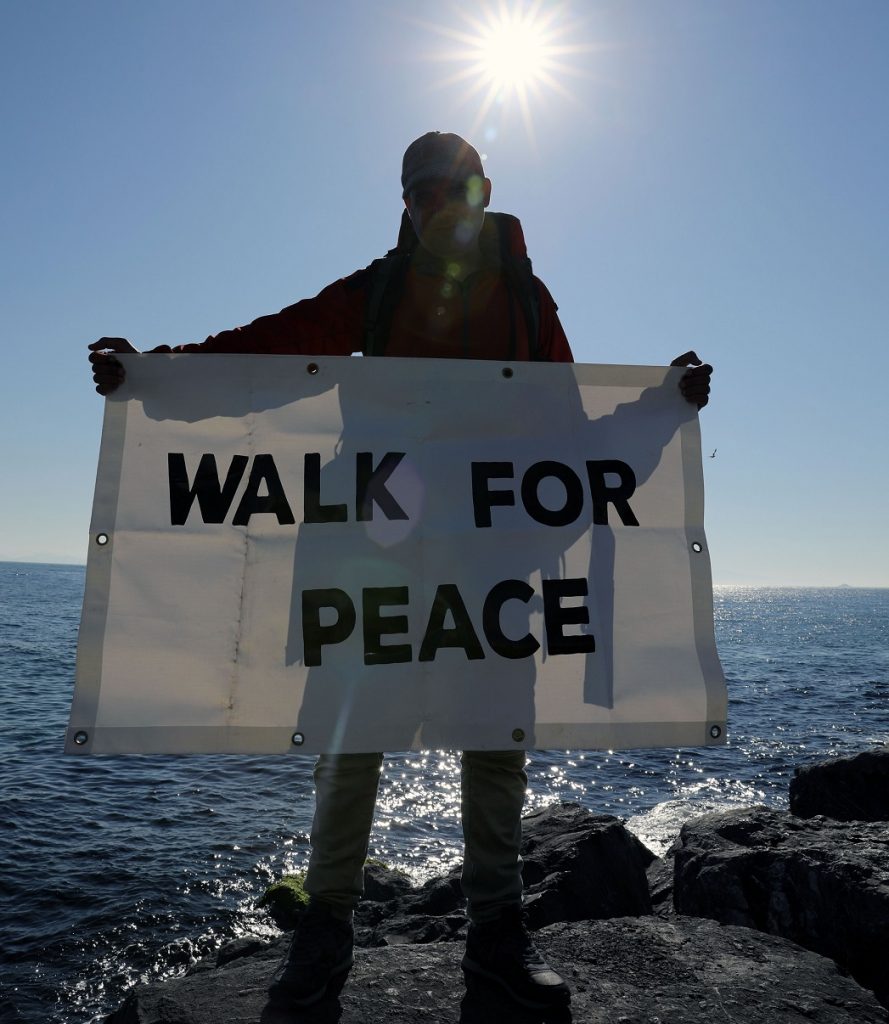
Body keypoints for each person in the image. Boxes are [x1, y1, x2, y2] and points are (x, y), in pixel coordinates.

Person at [89, 131, 712, 1011]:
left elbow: (569, 434)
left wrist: (661, 407)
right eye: (422, 192)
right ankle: (323, 935)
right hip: (367, 559)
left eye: (455, 190)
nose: (439, 205)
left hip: (487, 561)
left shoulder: (529, 304)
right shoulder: (374, 292)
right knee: (348, 747)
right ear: (405, 202)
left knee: (495, 745)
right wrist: (154, 375)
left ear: (483, 193)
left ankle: (497, 936)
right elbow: (270, 353)